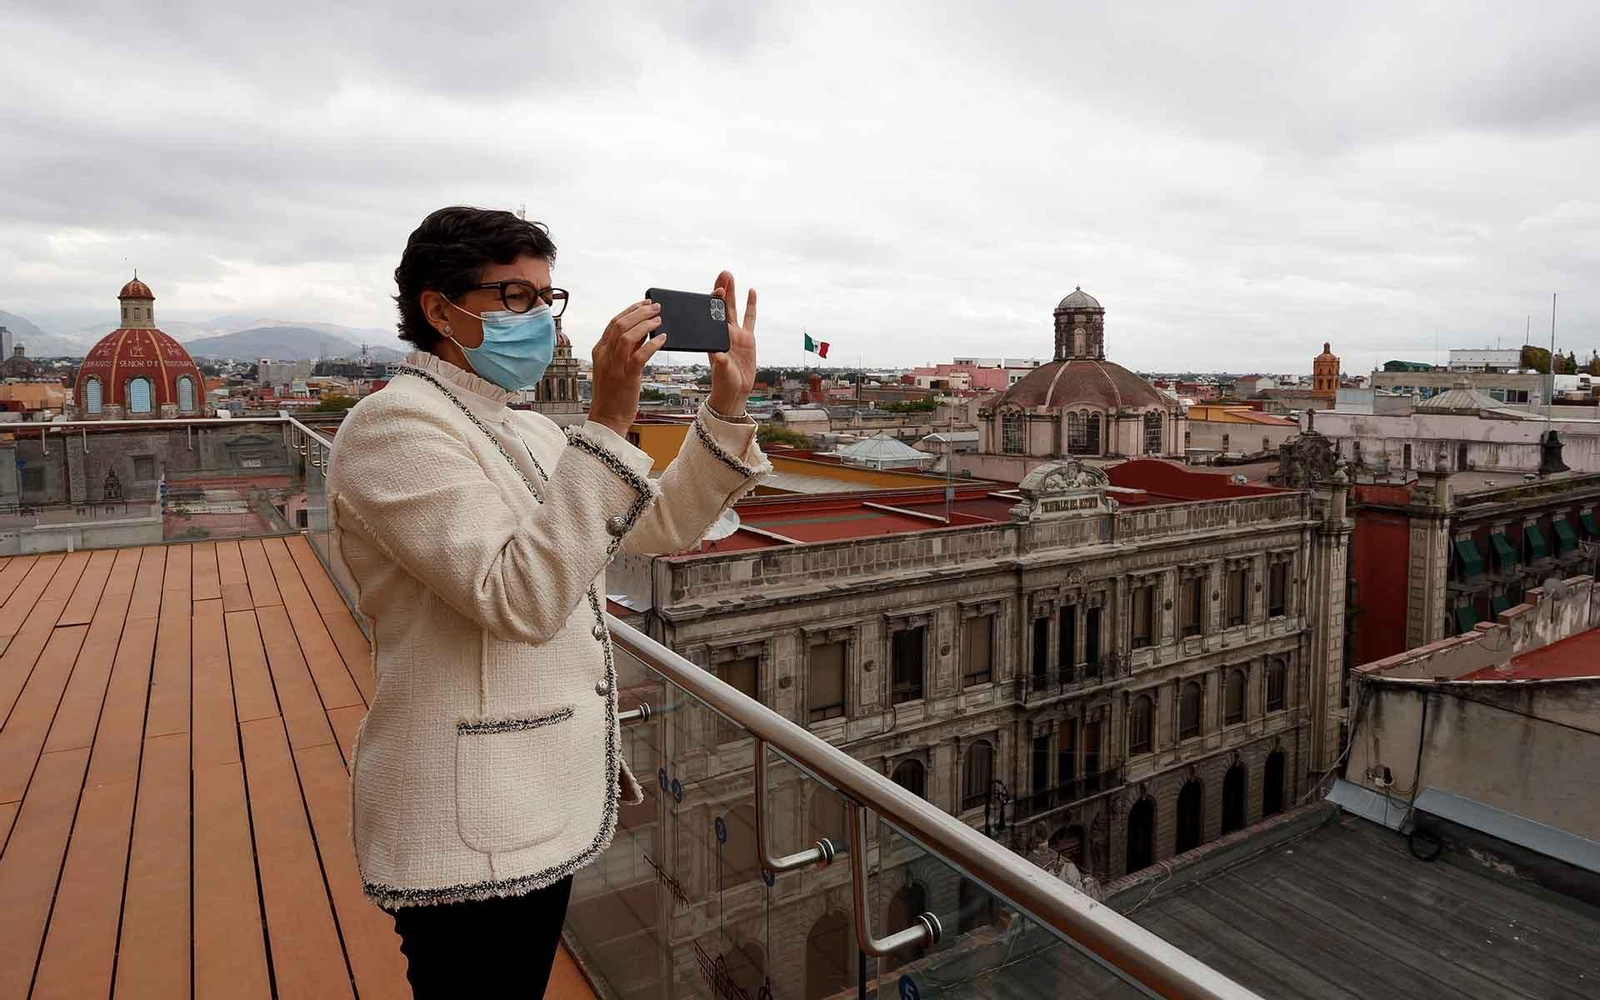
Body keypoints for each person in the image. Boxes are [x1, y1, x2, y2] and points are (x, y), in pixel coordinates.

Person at [327, 206, 769, 997]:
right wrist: (608, 417)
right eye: (516, 298)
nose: (541, 318)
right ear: (439, 309)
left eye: (545, 296)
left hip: (531, 799)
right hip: (468, 822)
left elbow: (657, 521)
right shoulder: (391, 428)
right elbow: (522, 597)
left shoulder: (524, 431)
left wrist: (726, 411)